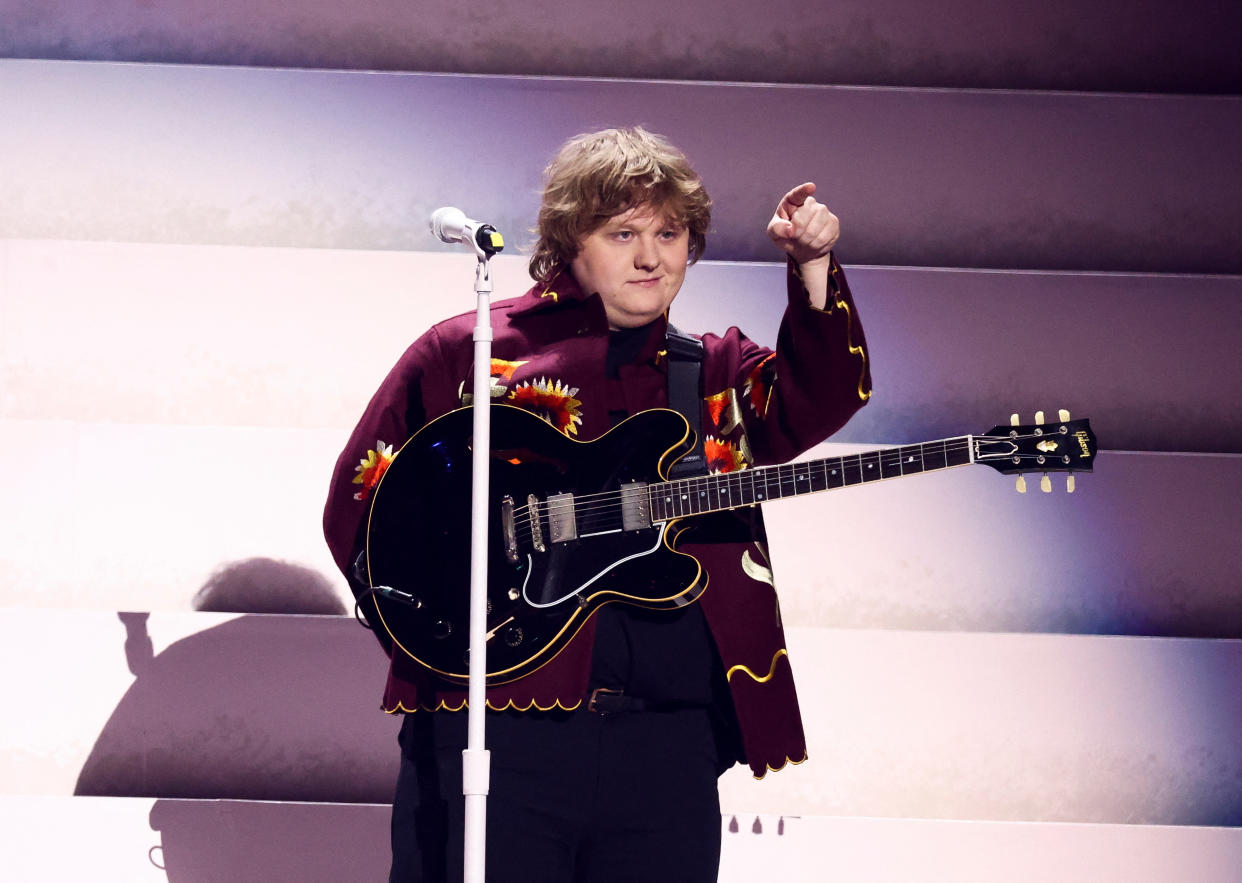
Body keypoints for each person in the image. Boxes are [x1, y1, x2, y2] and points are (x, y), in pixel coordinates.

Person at [323, 127, 871, 882]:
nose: (652, 256)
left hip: (668, 745)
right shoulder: (471, 352)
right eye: (623, 233)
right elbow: (362, 505)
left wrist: (812, 264)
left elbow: (819, 397)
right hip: (499, 730)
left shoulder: (712, 372)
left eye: (669, 233)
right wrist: (443, 636)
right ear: (570, 243)